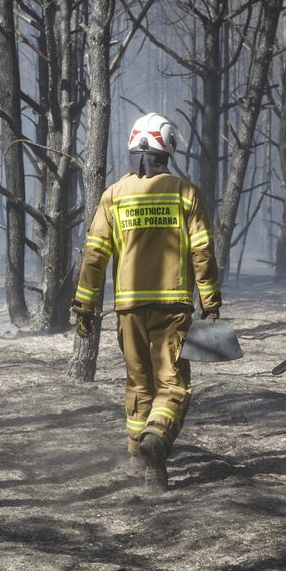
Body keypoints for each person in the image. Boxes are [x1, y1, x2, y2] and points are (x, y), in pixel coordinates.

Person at [72, 112, 222, 495]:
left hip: (128, 308)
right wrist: (210, 299)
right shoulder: (184, 192)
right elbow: (202, 251)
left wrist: (84, 307)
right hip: (172, 306)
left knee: (139, 383)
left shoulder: (113, 196)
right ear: (167, 149)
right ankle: (156, 441)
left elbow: (94, 256)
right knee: (172, 385)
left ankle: (140, 459)